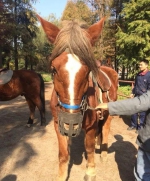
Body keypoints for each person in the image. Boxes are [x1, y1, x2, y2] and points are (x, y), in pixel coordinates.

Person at [96, 90, 150, 181]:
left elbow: (139, 103)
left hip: (147, 143)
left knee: (142, 174)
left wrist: (108, 105)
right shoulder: (139, 76)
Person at [128, 59, 150, 131]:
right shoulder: (138, 75)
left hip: (144, 97)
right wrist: (132, 93)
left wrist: (147, 96)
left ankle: (140, 127)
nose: (139, 66)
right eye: (139, 65)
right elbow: (136, 85)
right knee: (134, 110)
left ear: (146, 65)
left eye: (141, 65)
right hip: (137, 96)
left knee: (143, 113)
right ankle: (133, 125)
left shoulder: (149, 75)